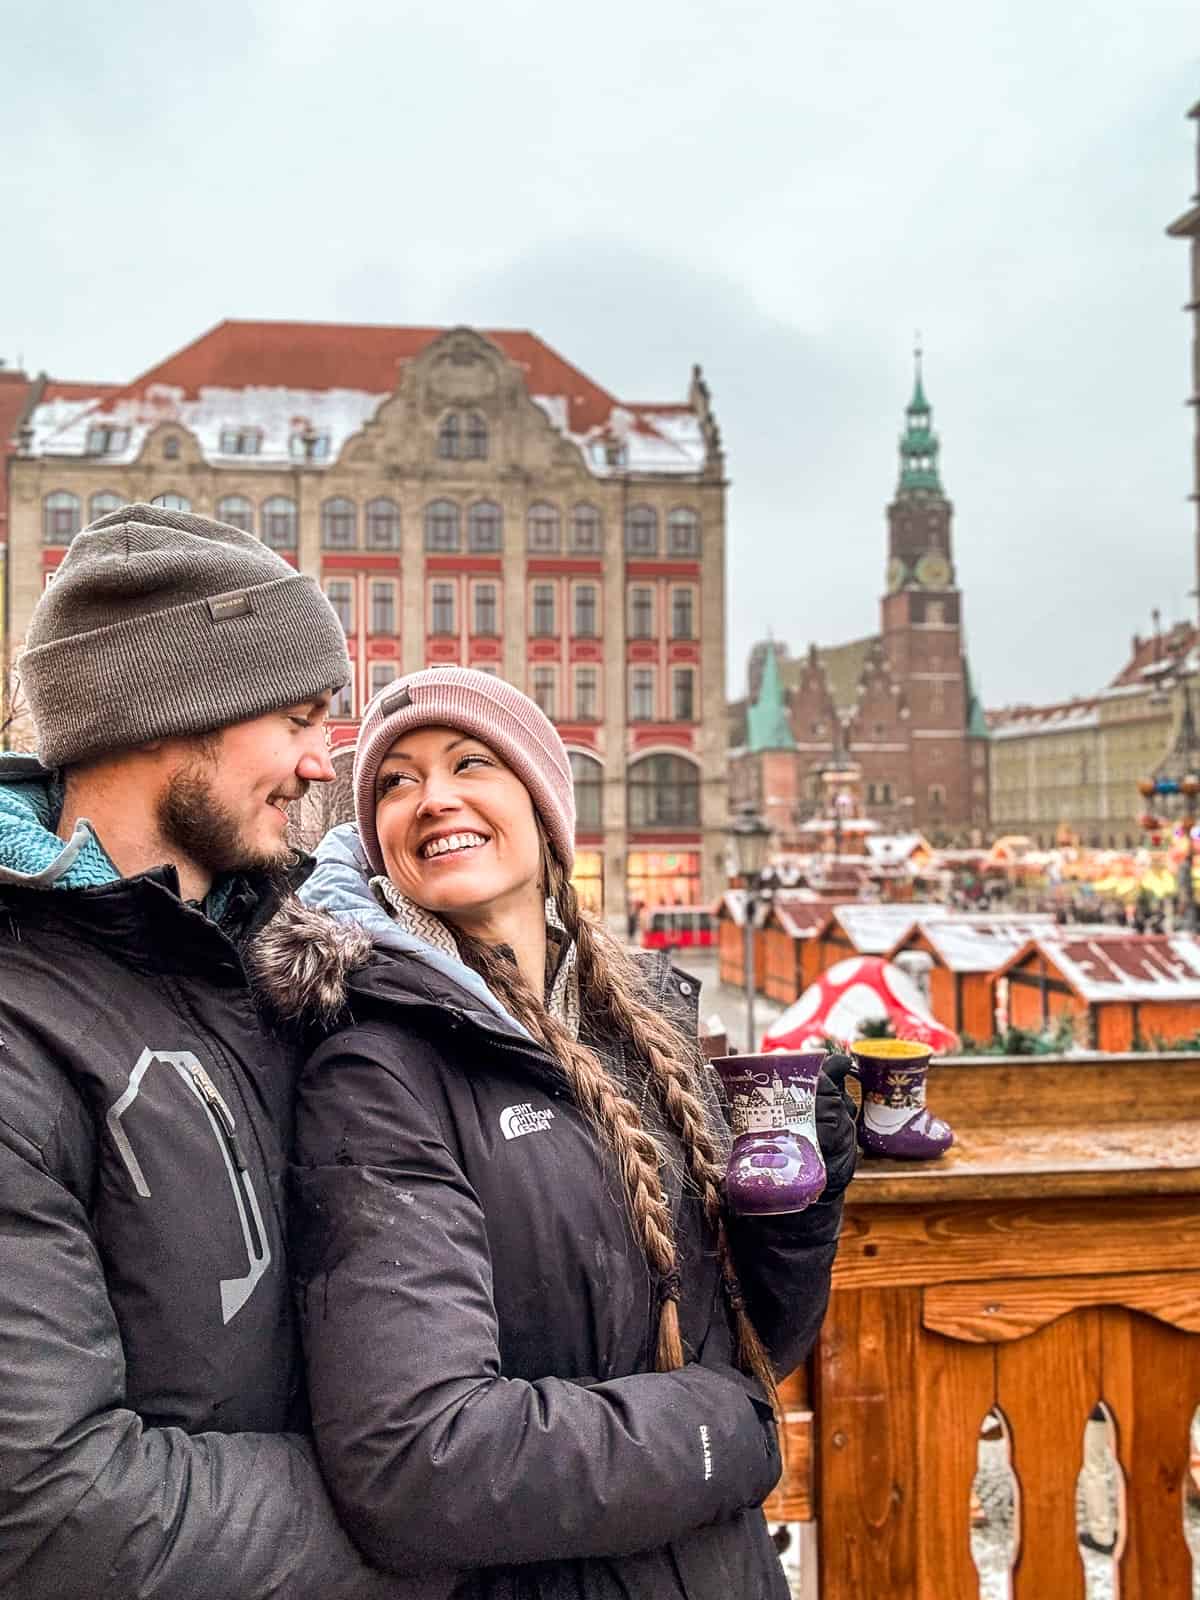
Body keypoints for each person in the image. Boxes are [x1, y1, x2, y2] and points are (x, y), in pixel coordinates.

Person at [261, 667, 856, 1599]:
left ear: (544, 809)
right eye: (395, 782)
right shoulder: (380, 1072)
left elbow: (739, 1352)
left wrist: (798, 1215)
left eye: (470, 763)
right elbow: (420, 1462)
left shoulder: (637, 1028)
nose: (433, 799)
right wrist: (718, 1435)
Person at [0, 503, 421, 1599]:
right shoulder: (19, 1030)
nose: (326, 762)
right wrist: (433, 1512)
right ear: (169, 715)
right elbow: (52, 1509)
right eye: (298, 717)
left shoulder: (294, 964)